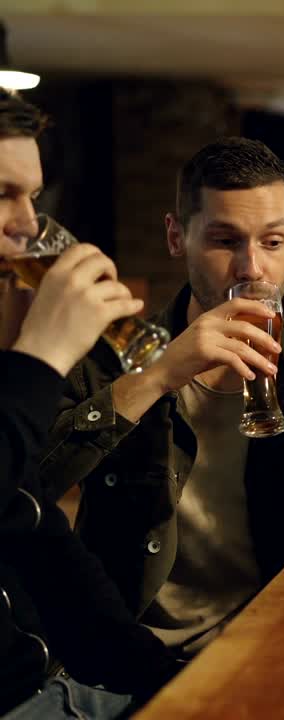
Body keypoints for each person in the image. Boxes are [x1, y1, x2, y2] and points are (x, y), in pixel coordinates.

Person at [37, 137, 284, 659]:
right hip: (129, 658)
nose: (252, 268)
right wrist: (157, 378)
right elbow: (26, 485)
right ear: (176, 236)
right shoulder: (103, 359)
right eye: (225, 241)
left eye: (272, 243)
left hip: (281, 650)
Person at [0, 90, 178, 720]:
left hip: (53, 689)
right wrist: (41, 356)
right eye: (2, 195)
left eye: (31, 197)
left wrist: (171, 680)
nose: (25, 223)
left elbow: (36, 531)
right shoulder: (27, 364)